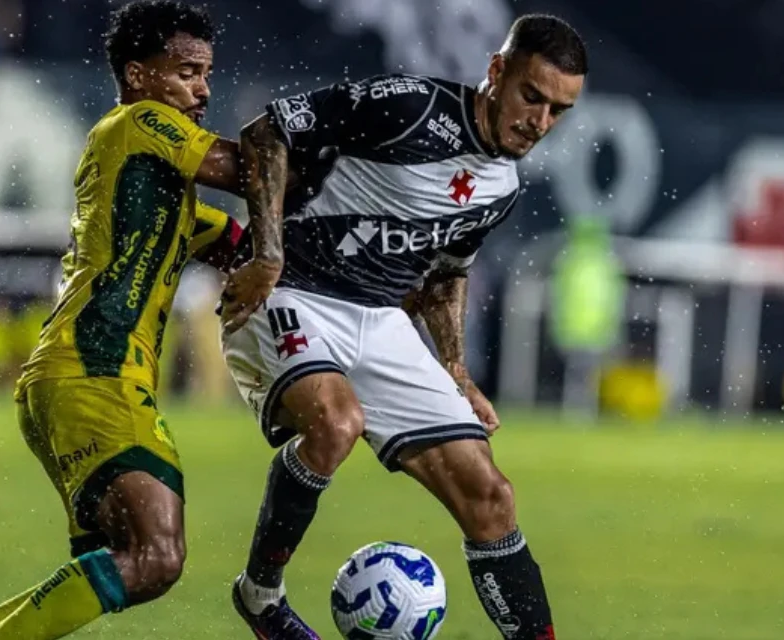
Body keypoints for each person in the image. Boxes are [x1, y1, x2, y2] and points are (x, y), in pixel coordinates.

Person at [219, 14, 587, 639]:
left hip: (382, 319)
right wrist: (268, 256)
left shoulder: (502, 187)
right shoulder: (409, 106)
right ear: (497, 71)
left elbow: (445, 276)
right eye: (532, 96)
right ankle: (260, 595)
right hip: (290, 292)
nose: (540, 121)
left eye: (559, 111)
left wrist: (457, 371)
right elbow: (266, 132)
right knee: (336, 423)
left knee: (491, 496)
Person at [0, 2, 244, 638]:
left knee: (123, 559)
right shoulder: (139, 121)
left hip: (71, 378)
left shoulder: (154, 187)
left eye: (207, 74)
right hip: (97, 373)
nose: (203, 90)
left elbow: (243, 242)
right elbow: (245, 170)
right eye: (187, 72)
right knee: (156, 556)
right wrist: (332, 137)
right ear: (138, 74)